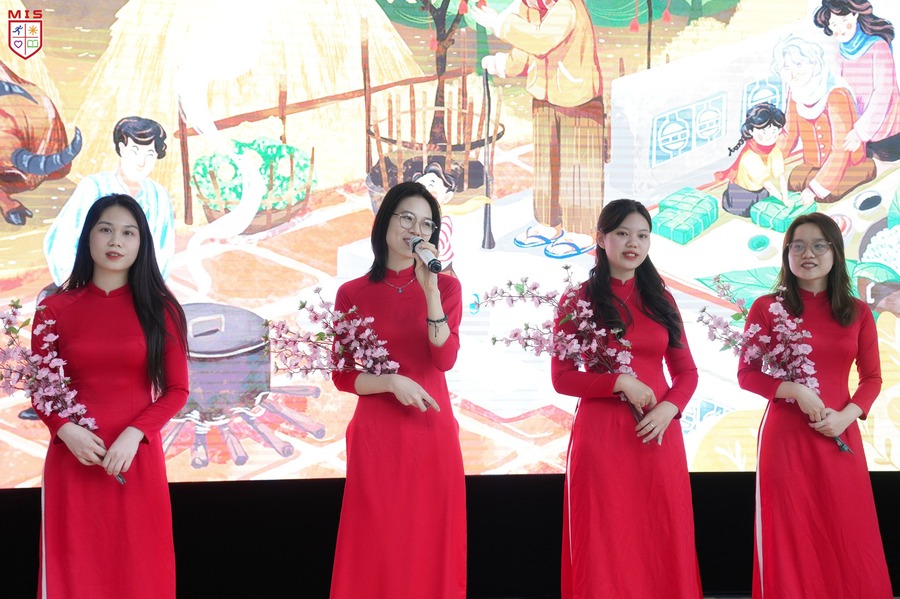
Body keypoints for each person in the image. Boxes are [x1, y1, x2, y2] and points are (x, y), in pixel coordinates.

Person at [30, 194, 189, 599]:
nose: (116, 241)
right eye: (106, 229)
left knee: (140, 571)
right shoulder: (53, 309)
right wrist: (66, 431)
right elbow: (41, 390)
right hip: (73, 460)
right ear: (88, 237)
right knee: (75, 572)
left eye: (128, 233)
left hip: (135, 460)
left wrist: (135, 435)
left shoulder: (161, 310)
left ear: (142, 244)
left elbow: (177, 390)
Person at [551, 199, 703, 598]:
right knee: (606, 539)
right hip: (602, 441)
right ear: (602, 239)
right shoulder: (578, 301)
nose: (633, 243)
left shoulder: (661, 299)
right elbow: (562, 378)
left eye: (642, 235)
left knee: (662, 534)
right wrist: (618, 381)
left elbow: (687, 373)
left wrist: (669, 409)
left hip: (658, 434)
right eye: (622, 233)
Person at [737, 212, 892, 598]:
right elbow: (747, 374)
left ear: (835, 252)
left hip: (841, 435)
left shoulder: (857, 312)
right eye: (799, 246)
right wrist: (792, 389)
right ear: (787, 253)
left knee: (847, 531)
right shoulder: (766, 308)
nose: (809, 254)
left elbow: (872, 379)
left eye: (819, 245)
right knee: (790, 532)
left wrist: (846, 417)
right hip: (786, 439)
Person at [329, 181, 466, 598]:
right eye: (407, 218)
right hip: (377, 437)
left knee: (429, 547)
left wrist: (430, 291)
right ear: (385, 220)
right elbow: (342, 374)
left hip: (432, 434)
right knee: (378, 547)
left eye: (426, 224)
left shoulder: (446, 288)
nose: (415, 230)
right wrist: (390, 383)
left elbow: (445, 359)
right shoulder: (352, 293)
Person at [472, 0, 604, 259]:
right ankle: (548, 222)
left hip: (579, 99)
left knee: (578, 166)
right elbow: (525, 48)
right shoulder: (529, 8)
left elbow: (541, 40)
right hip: (544, 94)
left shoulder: (567, 6)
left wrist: (499, 23)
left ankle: (581, 230)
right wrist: (502, 64)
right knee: (546, 164)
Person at [43, 116, 175, 291]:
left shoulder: (159, 195)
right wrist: (76, 287)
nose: (141, 162)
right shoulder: (94, 186)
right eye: (135, 151)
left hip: (139, 291)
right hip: (89, 288)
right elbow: (63, 240)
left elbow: (163, 251)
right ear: (121, 148)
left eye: (150, 154)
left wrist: (147, 292)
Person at [774, 35, 877, 205]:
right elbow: (789, 134)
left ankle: (865, 168)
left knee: (827, 195)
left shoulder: (836, 94)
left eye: (799, 64)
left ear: (814, 64)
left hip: (847, 163)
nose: (793, 73)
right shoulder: (796, 93)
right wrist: (769, 159)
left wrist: (815, 188)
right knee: (794, 182)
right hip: (813, 163)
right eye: (786, 68)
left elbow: (840, 149)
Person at [814, 0, 900, 162]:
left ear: (855, 15)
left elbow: (883, 93)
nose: (840, 29)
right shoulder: (840, 53)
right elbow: (839, 90)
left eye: (844, 21)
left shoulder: (878, 46)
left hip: (885, 137)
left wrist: (861, 132)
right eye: (834, 24)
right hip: (855, 132)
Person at [715, 102, 789, 216]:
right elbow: (767, 184)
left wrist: (786, 197)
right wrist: (783, 200)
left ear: (779, 130)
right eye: (763, 132)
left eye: (773, 131)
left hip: (761, 192)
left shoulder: (775, 151)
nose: (769, 136)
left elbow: (781, 177)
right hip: (741, 196)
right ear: (751, 131)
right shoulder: (749, 156)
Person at [412, 161, 462, 277]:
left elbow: (438, 244)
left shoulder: (444, 221)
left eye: (431, 185)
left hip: (442, 268)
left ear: (447, 197)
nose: (425, 193)